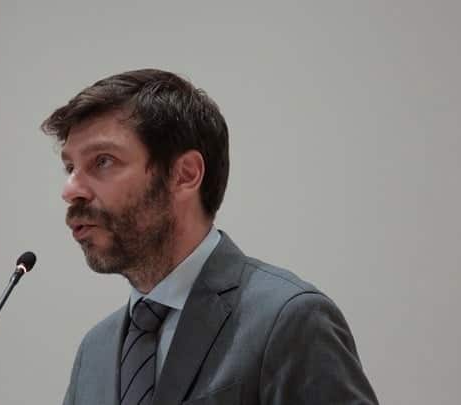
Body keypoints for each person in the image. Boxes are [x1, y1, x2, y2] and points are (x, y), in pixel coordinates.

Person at [41, 69, 378, 405]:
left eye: (103, 161)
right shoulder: (94, 352)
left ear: (185, 174)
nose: (70, 190)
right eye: (70, 168)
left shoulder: (289, 320)